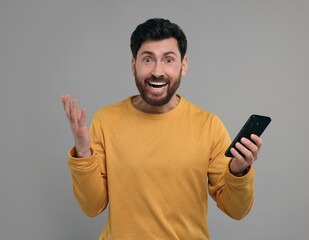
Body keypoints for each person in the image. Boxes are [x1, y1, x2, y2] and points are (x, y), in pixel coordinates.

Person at [61, 18, 263, 240]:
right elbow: (92, 207)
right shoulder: (105, 120)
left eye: (168, 60)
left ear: (183, 66)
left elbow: (236, 210)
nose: (157, 71)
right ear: (133, 65)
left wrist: (238, 171)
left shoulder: (209, 125)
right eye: (148, 59)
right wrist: (82, 152)